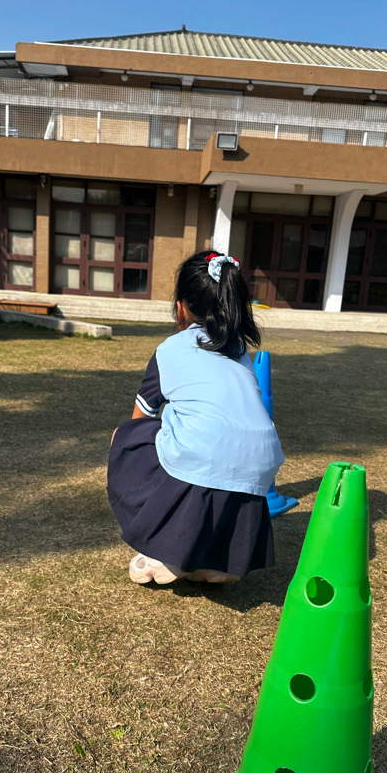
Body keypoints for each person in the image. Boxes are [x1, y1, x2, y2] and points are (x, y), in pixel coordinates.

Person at [107, 250, 285, 585]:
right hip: (260, 467)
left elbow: (140, 418)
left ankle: (163, 549)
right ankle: (221, 560)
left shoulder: (170, 349)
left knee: (126, 437)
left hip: (202, 457)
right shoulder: (239, 349)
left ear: (181, 307)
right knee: (214, 453)